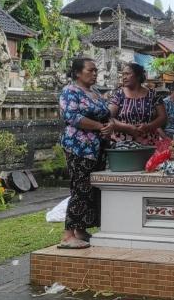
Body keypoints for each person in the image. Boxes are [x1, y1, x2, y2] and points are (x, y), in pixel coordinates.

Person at [57, 58, 109, 249]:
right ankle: (68, 235)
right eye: (90, 70)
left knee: (91, 189)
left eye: (96, 70)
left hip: (97, 147)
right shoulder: (70, 91)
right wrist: (99, 126)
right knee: (80, 188)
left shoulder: (95, 92)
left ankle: (81, 229)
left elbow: (106, 114)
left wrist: (108, 126)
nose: (94, 74)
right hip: (79, 147)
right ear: (78, 73)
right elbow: (72, 117)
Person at [104, 63, 167, 146]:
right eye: (123, 74)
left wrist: (149, 126)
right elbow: (109, 117)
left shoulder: (153, 95)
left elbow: (163, 117)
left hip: (148, 143)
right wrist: (127, 127)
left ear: (138, 76)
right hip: (122, 143)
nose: (124, 77)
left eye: (127, 74)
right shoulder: (118, 94)